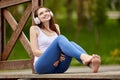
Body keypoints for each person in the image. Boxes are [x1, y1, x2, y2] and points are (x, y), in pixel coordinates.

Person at [30, 7, 101, 74]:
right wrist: (55, 56)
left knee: (71, 43)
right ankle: (85, 57)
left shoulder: (56, 27)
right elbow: (35, 52)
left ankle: (92, 65)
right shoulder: (34, 29)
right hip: (42, 66)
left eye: (46, 11)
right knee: (60, 38)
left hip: (59, 67)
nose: (45, 13)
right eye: (41, 13)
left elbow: (61, 47)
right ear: (37, 19)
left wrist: (57, 58)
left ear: (50, 13)